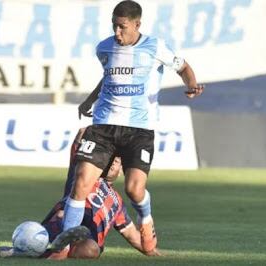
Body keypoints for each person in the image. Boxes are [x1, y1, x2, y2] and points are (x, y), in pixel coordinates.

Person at [61, 0, 204, 256]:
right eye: (114, 26)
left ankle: (146, 220)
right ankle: (65, 244)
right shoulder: (104, 47)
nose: (117, 33)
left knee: (133, 189)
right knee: (81, 181)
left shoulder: (155, 46)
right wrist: (90, 100)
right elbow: (110, 77)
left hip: (139, 129)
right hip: (103, 125)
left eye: (122, 27)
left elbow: (183, 67)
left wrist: (192, 85)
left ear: (137, 24)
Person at [0, 128, 158, 260]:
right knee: (52, 221)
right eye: (112, 158)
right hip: (59, 227)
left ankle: (45, 253)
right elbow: (82, 134)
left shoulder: (118, 203)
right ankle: (51, 247)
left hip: (87, 241)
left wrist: (152, 251)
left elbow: (131, 234)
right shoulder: (83, 175)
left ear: (122, 170)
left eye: (118, 161)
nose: (115, 162)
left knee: (91, 249)